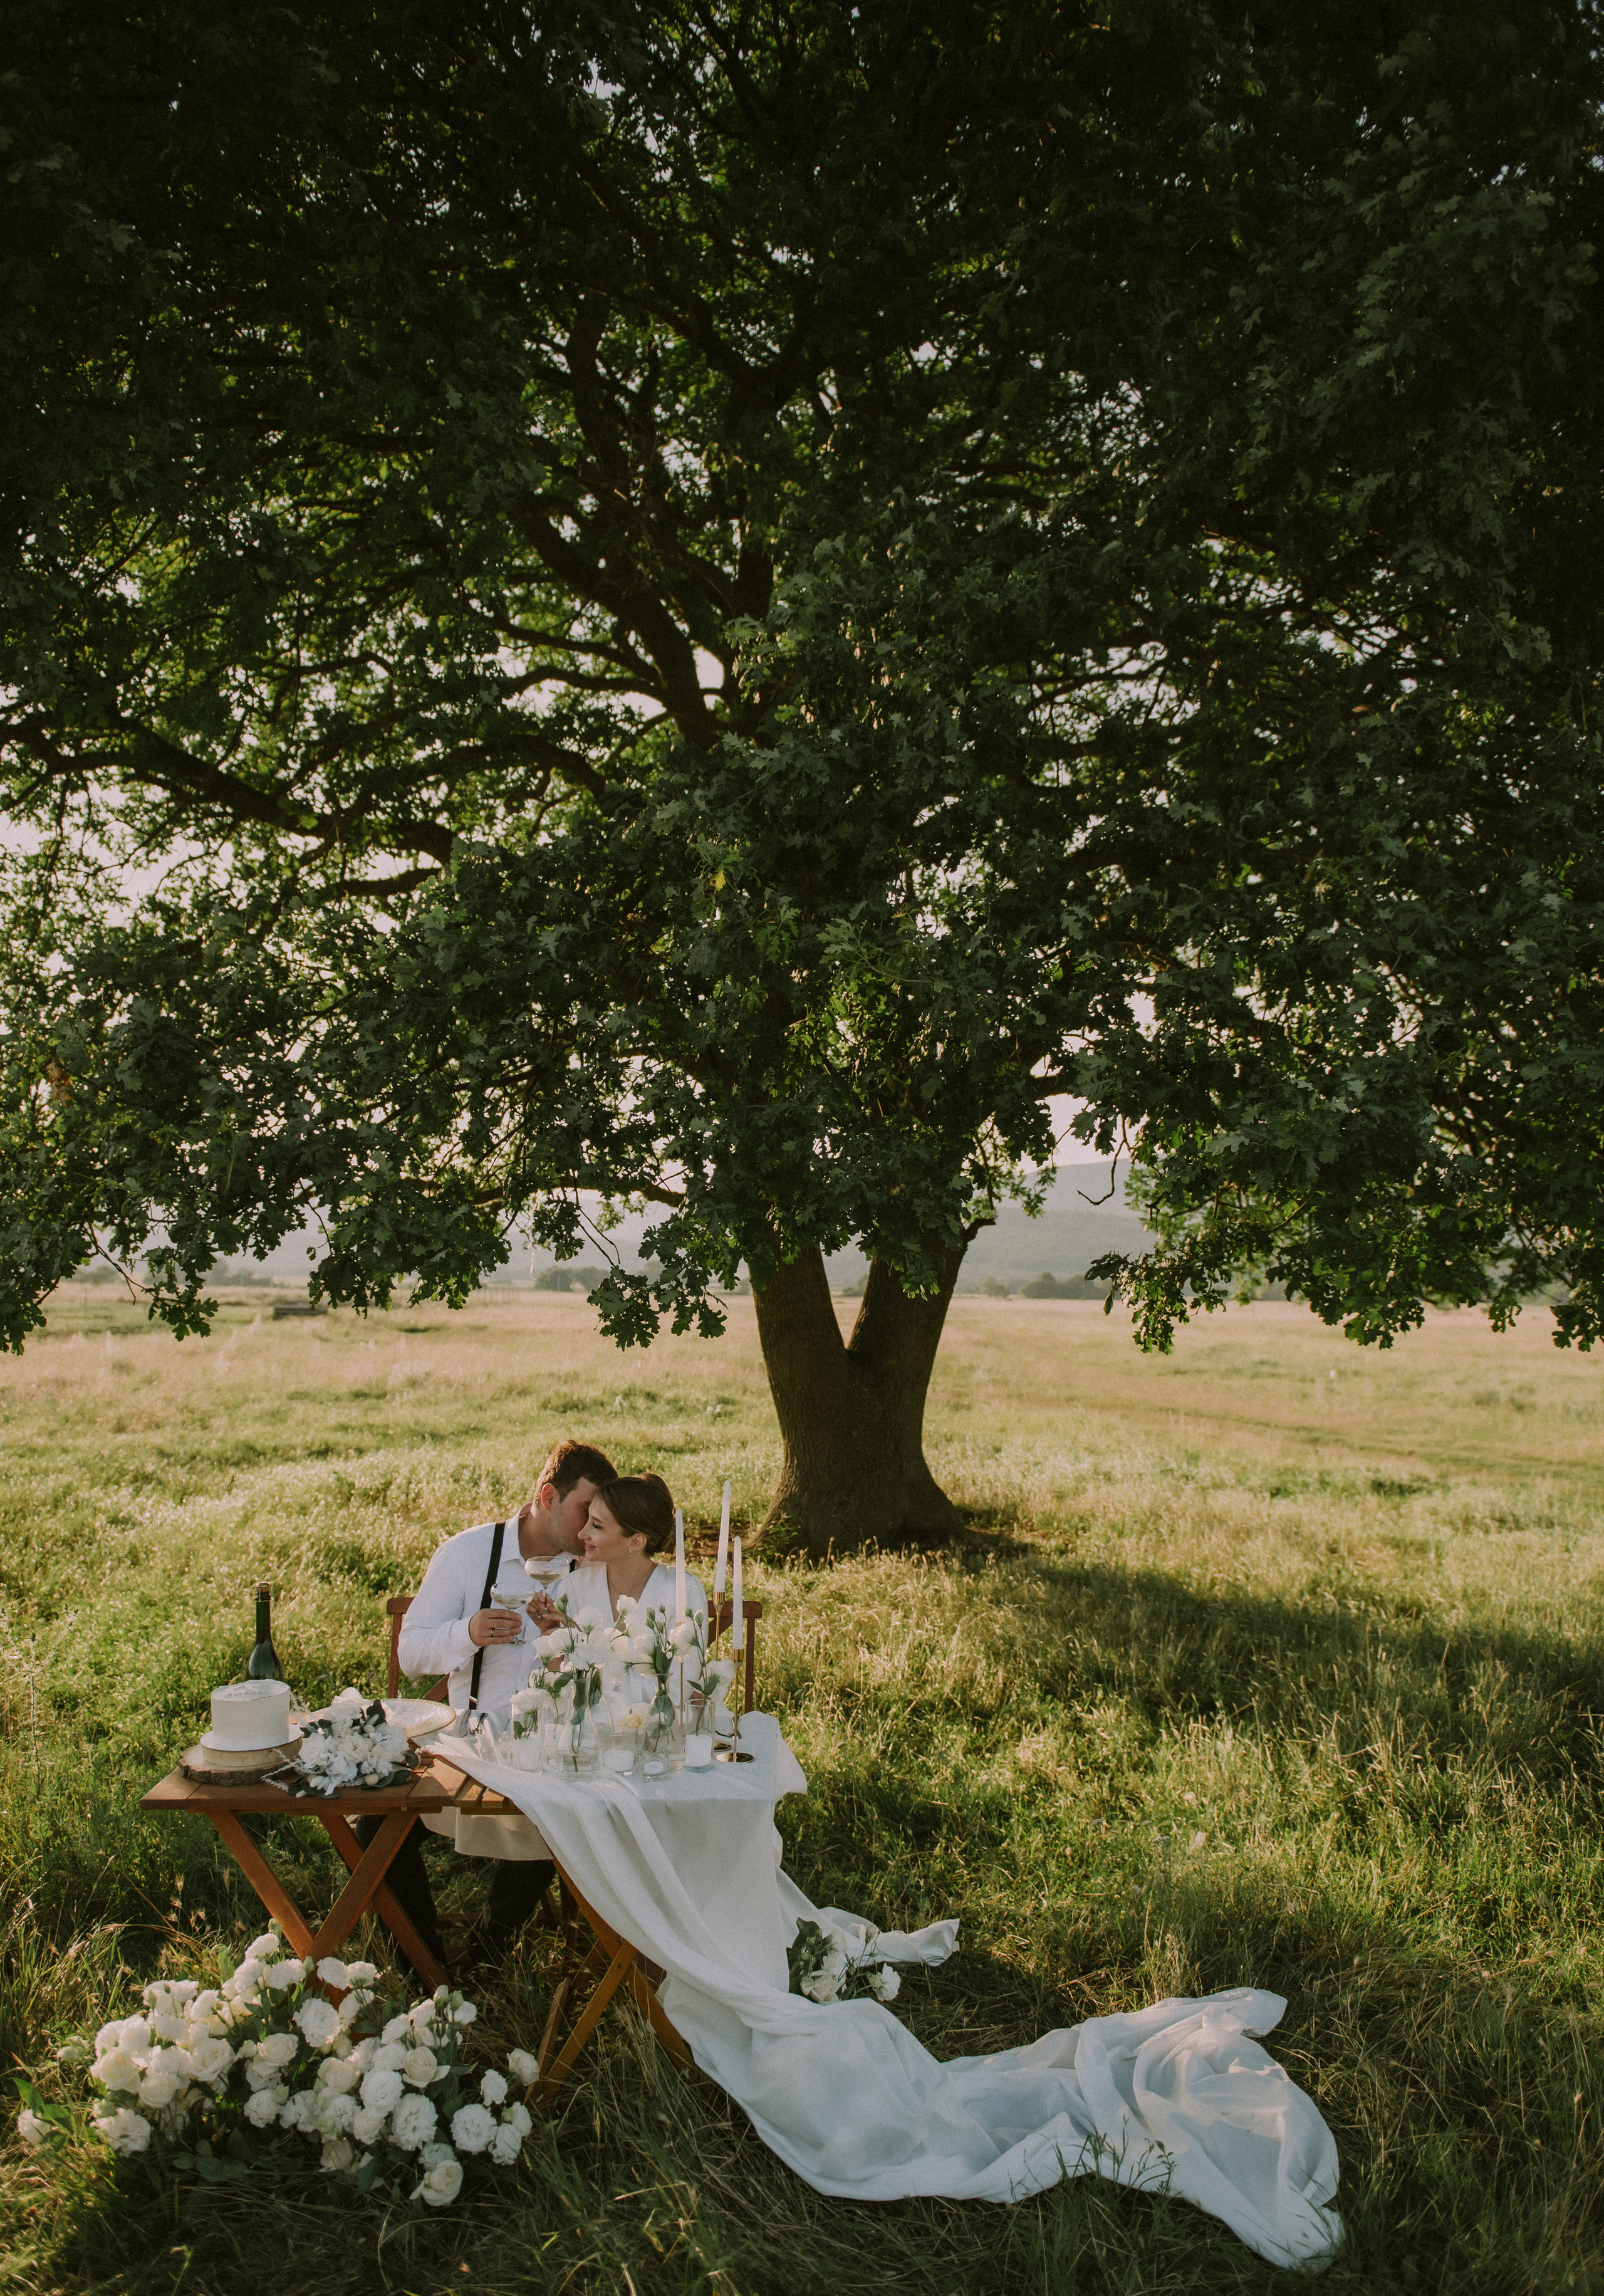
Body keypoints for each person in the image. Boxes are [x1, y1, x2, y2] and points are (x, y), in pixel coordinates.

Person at [357, 1438, 617, 1970]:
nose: (591, 1528)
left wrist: (570, 1643)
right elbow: (411, 1653)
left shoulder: (595, 1566)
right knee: (373, 1822)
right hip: (468, 1741)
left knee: (559, 1811)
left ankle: (487, 1956)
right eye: (583, 1512)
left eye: (599, 1517)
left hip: (556, 1748)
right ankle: (423, 1964)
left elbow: (611, 1669)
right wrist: (467, 1632)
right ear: (548, 1495)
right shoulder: (468, 1553)